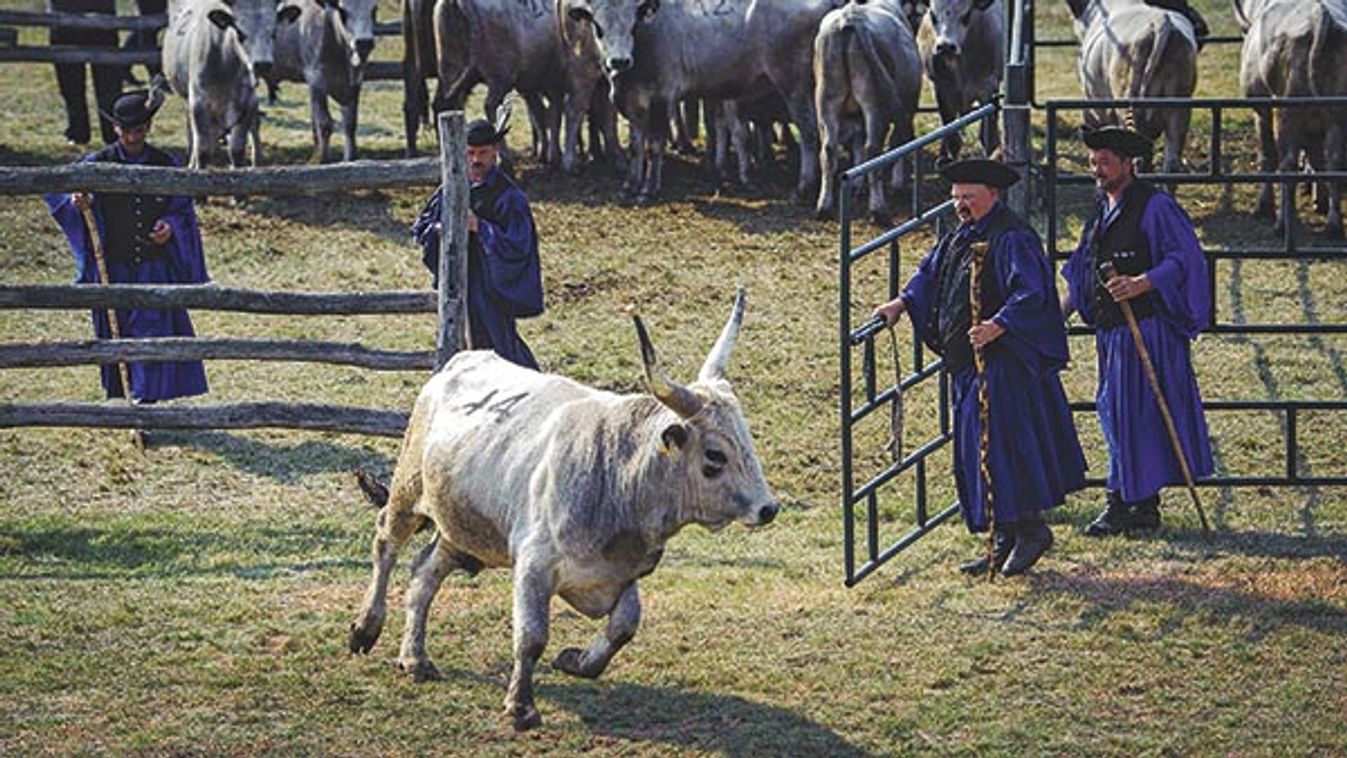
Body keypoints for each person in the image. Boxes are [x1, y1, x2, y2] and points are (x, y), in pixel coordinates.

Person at [873, 159, 1087, 577]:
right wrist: (901, 304)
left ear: (993, 195)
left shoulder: (1013, 239)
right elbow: (928, 275)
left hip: (1003, 366)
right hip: (969, 364)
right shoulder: (960, 237)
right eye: (956, 198)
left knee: (1004, 447)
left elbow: (1030, 293)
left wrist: (999, 325)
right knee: (978, 450)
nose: (960, 205)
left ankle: (1030, 529)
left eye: (968, 198)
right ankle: (1001, 535)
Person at [1062, 125, 1214, 536]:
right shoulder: (1099, 210)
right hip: (1113, 333)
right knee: (1115, 411)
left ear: (1130, 163)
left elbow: (1182, 259)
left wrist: (1141, 282)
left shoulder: (1156, 207)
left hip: (1147, 329)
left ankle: (1126, 503)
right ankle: (1137, 502)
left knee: (1136, 414)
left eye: (1105, 162)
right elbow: (1082, 266)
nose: (1097, 170)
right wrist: (1063, 309)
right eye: (1093, 163)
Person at [44, 90, 210, 403]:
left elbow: (182, 208)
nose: (133, 137)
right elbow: (62, 191)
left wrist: (170, 227)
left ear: (147, 129)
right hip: (114, 268)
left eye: (139, 130)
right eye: (127, 130)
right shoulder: (98, 163)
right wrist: (78, 201)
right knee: (119, 333)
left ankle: (144, 401)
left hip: (152, 268)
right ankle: (128, 399)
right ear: (116, 129)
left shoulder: (165, 165)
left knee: (151, 334)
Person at [412, 118, 544, 370]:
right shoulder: (451, 188)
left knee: (500, 348)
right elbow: (422, 226)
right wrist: (439, 230)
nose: (476, 160)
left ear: (496, 151)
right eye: (470, 153)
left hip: (491, 286)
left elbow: (518, 246)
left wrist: (480, 228)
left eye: (483, 153)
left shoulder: (509, 197)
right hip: (459, 280)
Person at [49, 0, 122, 145]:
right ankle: (77, 132)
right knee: (70, 84)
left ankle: (112, 132)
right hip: (65, 18)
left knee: (108, 84)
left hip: (101, 17)